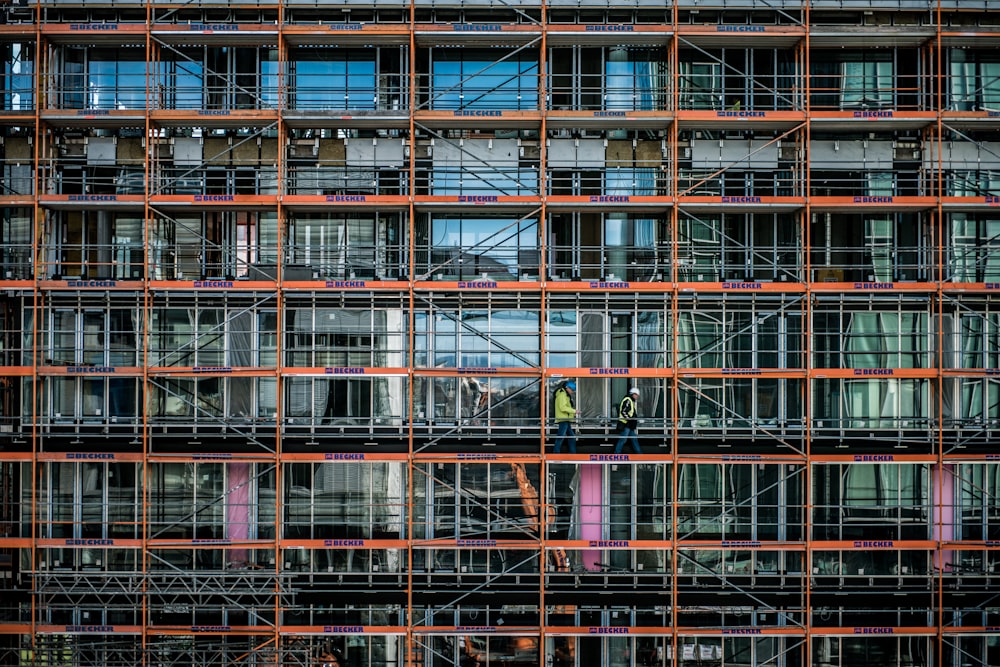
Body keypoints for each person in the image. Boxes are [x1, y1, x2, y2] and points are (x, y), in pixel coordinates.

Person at [552, 381, 579, 453]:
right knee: (562, 436)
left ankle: (572, 453)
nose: (572, 392)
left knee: (569, 437)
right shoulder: (562, 395)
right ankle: (556, 453)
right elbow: (563, 407)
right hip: (563, 419)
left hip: (565, 419)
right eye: (572, 390)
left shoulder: (564, 394)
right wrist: (574, 411)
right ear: (567, 388)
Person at [614, 387, 642, 454]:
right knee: (623, 439)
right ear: (633, 394)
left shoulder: (629, 401)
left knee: (633, 439)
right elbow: (624, 412)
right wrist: (629, 419)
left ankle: (639, 453)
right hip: (626, 424)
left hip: (629, 425)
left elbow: (630, 413)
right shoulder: (628, 400)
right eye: (637, 395)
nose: (637, 397)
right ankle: (617, 453)